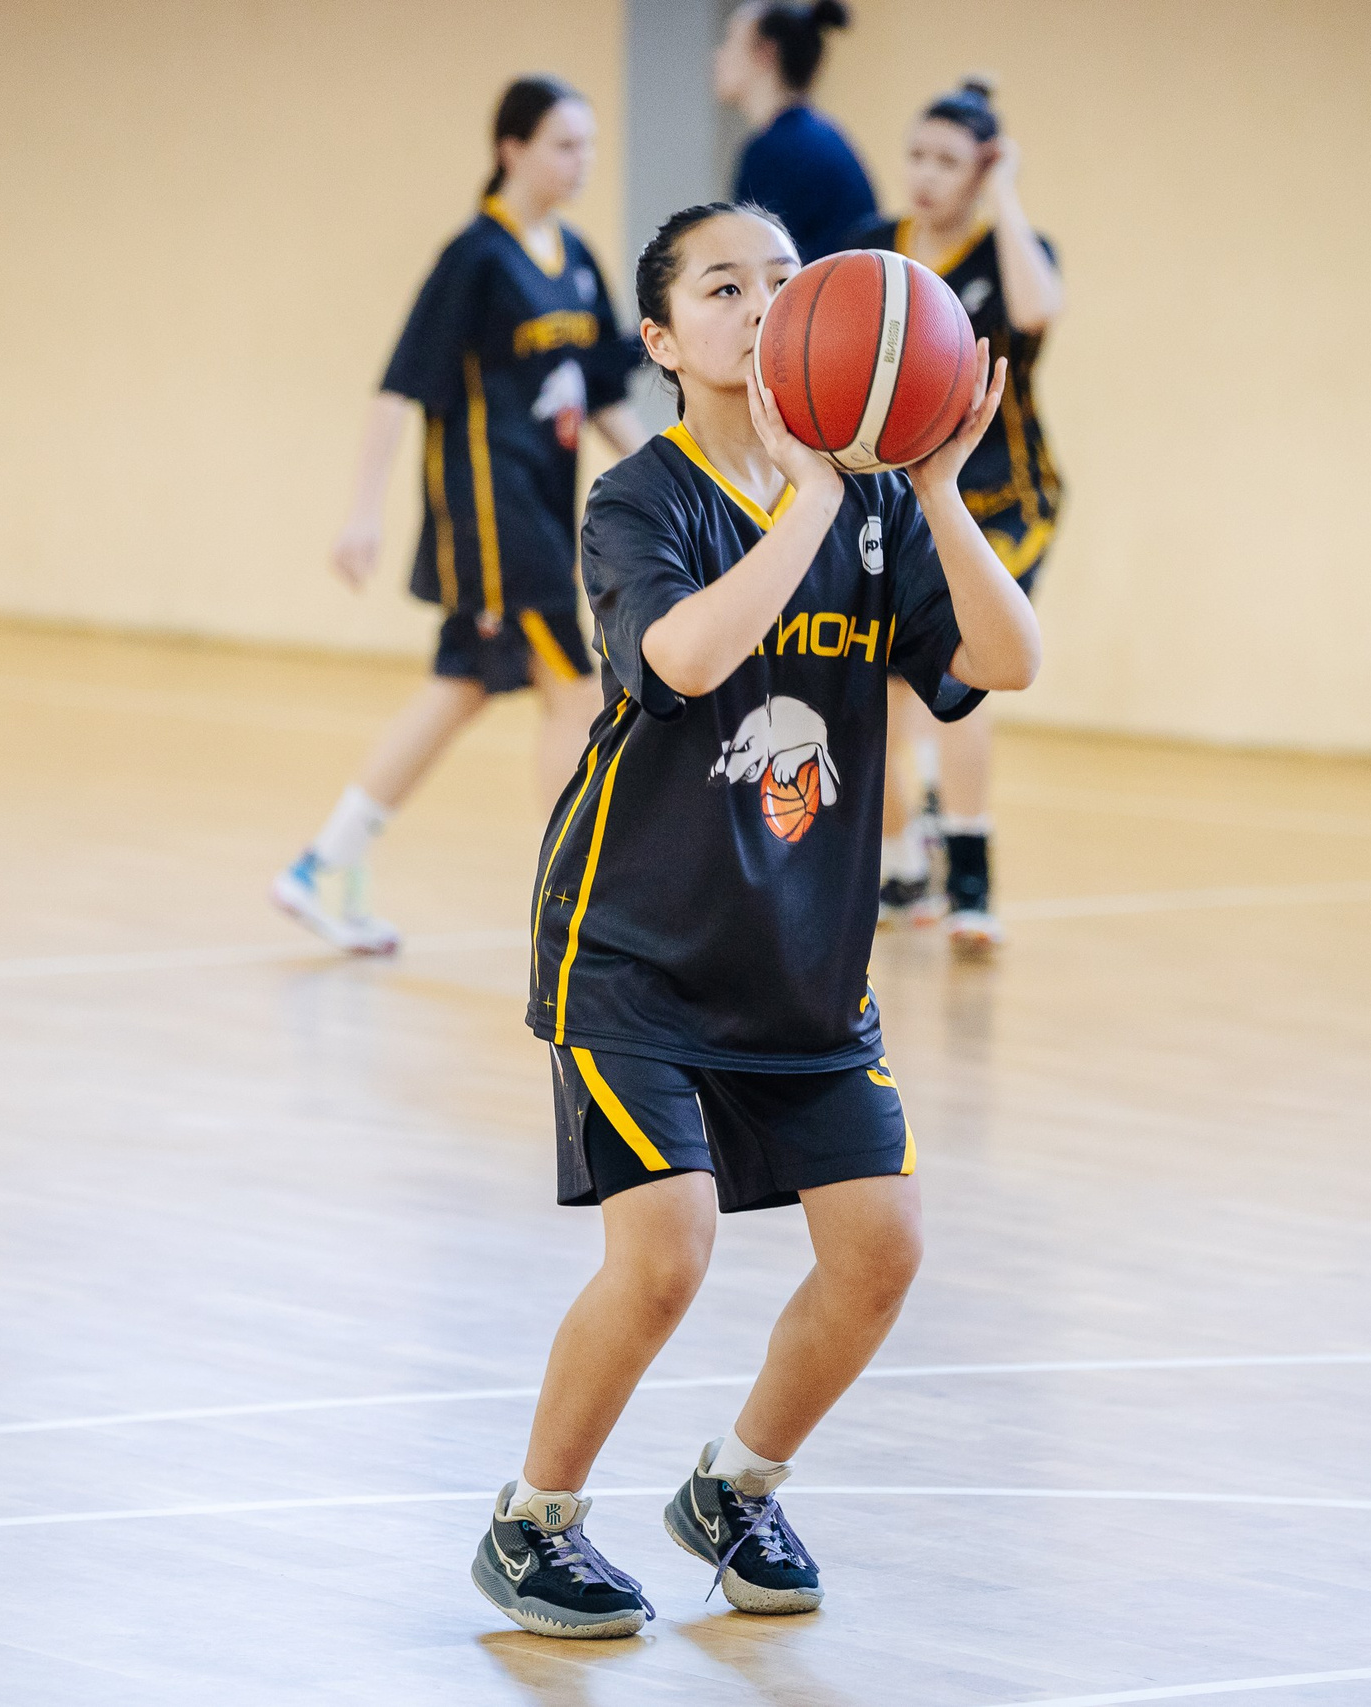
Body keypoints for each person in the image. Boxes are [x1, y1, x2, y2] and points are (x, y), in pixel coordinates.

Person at [471, 202, 1039, 1639]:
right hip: (636, 951)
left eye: (784, 280)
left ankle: (736, 1487)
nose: (764, 303)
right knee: (664, 1253)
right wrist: (810, 501)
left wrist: (943, 488)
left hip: (802, 961)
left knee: (882, 1245)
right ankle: (532, 1524)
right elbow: (682, 653)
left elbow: (1009, 657)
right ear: (664, 339)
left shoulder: (879, 503)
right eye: (724, 287)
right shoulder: (638, 499)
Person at [273, 76, 645, 954]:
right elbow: (401, 387)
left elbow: (599, 399)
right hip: (491, 516)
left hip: (546, 514)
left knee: (461, 688)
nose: (580, 161)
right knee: (579, 689)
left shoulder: (579, 260)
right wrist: (362, 512)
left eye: (589, 145)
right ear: (510, 149)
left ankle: (324, 864)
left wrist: (677, 478)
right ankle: (579, 900)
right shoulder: (474, 259)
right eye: (563, 144)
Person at [848, 79, 1063, 949]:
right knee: (895, 684)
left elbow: (1039, 312)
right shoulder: (875, 250)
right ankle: (904, 861)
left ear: (981, 170)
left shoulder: (1014, 248)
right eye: (918, 156)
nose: (928, 176)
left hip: (1000, 497)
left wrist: (1005, 193)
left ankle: (971, 871)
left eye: (951, 161)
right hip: (901, 495)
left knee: (966, 678)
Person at [715, 2, 876, 263]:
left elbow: (756, 267)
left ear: (766, 52)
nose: (718, 55)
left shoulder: (777, 152)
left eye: (730, 41)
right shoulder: (815, 137)